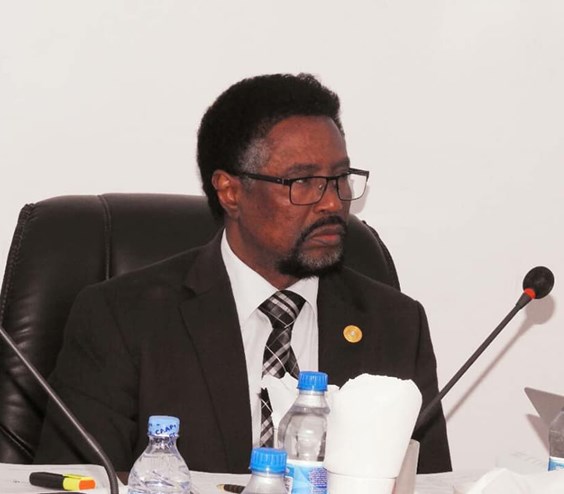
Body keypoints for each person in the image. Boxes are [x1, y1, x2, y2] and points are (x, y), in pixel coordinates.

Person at [34, 73, 451, 474]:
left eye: (340, 178)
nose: (331, 203)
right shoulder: (122, 319)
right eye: (303, 181)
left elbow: (429, 485)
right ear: (230, 192)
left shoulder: (395, 325)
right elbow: (77, 483)